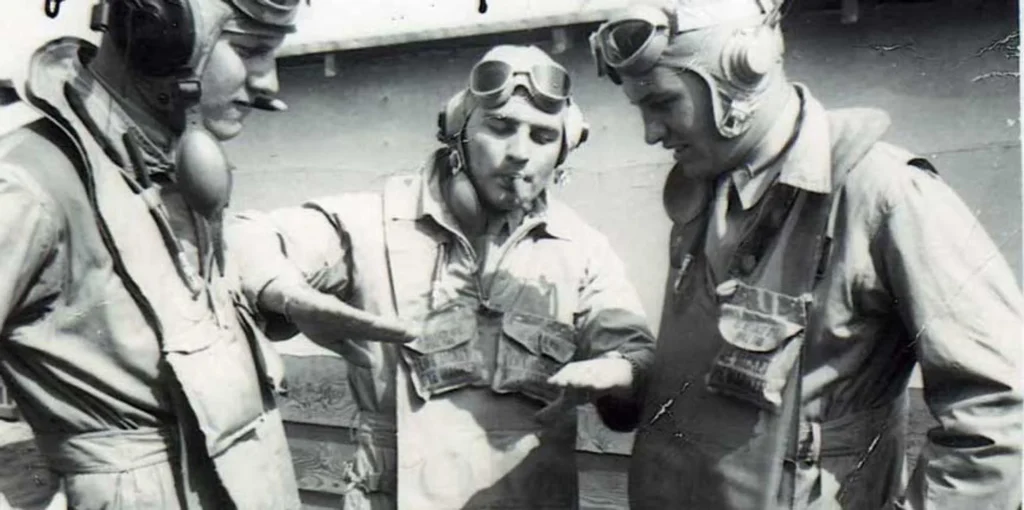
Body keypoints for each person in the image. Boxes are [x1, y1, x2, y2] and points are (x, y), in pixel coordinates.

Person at [588, 1, 1023, 509]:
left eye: (662, 102)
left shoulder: (883, 193)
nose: (650, 132)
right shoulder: (704, 199)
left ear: (738, 73)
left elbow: (999, 409)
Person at [228, 44, 656, 510]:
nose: (520, 153)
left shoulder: (583, 249)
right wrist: (289, 295)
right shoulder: (372, 223)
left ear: (563, 150)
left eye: (542, 136)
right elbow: (243, 237)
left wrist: (623, 372)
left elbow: (634, 352)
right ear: (460, 132)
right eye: (500, 127)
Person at [0, 0, 309, 507]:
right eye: (250, 51)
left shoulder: (166, 163)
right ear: (159, 31)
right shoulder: (27, 184)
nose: (268, 83)